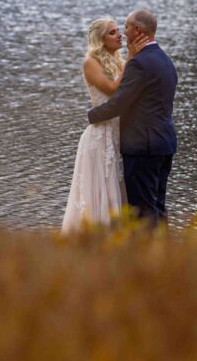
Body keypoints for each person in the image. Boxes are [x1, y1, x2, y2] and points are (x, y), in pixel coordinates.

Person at [87, 9, 178, 227]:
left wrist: (92, 115)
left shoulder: (139, 63)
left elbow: (119, 102)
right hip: (164, 143)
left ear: (137, 30)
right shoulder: (165, 60)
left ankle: (148, 258)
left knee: (143, 214)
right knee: (158, 207)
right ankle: (164, 256)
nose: (124, 33)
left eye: (126, 27)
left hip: (143, 148)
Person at [61, 17, 148, 233]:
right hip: (101, 134)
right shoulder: (90, 62)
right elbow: (111, 89)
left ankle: (118, 238)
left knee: (119, 188)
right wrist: (131, 58)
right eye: (112, 32)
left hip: (120, 132)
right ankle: (95, 235)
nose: (119, 35)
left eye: (119, 30)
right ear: (100, 39)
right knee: (100, 188)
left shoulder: (117, 59)